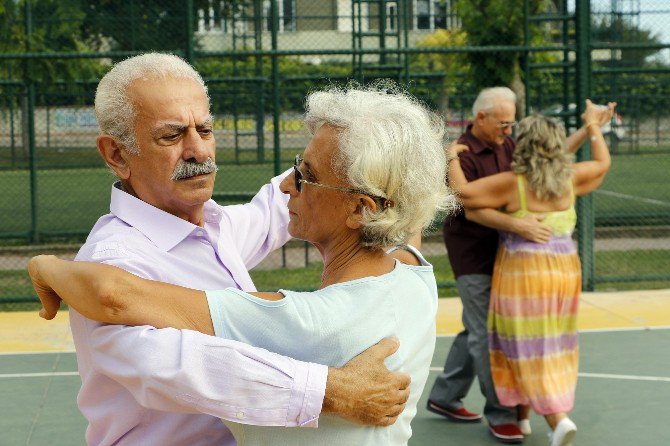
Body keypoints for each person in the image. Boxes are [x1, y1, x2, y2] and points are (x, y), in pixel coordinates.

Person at [29, 84, 455, 445]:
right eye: (172, 135)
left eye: (206, 129)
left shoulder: (295, 313)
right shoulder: (415, 278)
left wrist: (46, 267)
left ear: (363, 208)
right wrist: (329, 388)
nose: (198, 148)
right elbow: (177, 366)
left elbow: (113, 295)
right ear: (117, 154)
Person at [425, 87, 615, 444]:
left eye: (513, 126)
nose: (508, 131)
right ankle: (505, 414)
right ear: (482, 117)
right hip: (475, 254)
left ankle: (445, 397)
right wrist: (516, 223)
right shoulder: (464, 156)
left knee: (482, 329)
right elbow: (464, 201)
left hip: (511, 260)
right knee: (490, 334)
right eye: (503, 124)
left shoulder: (512, 152)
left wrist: (590, 126)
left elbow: (552, 154)